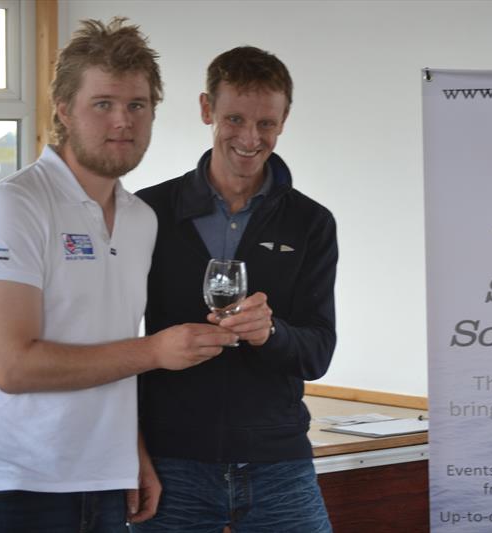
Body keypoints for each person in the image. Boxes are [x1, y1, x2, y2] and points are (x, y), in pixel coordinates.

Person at [0, 18, 237, 532]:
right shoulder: (15, 205)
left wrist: (130, 452)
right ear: (63, 109)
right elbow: (14, 367)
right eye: (103, 104)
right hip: (13, 489)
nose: (123, 122)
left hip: (106, 487)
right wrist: (156, 351)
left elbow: (109, 345)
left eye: (138, 105)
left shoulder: (141, 219)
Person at [133, 46, 338, 532]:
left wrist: (272, 334)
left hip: (279, 465)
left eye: (266, 123)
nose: (250, 138)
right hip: (172, 465)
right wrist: (132, 450)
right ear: (207, 109)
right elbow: (113, 341)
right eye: (234, 118)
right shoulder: (147, 213)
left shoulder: (311, 222)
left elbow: (318, 353)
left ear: (285, 119)